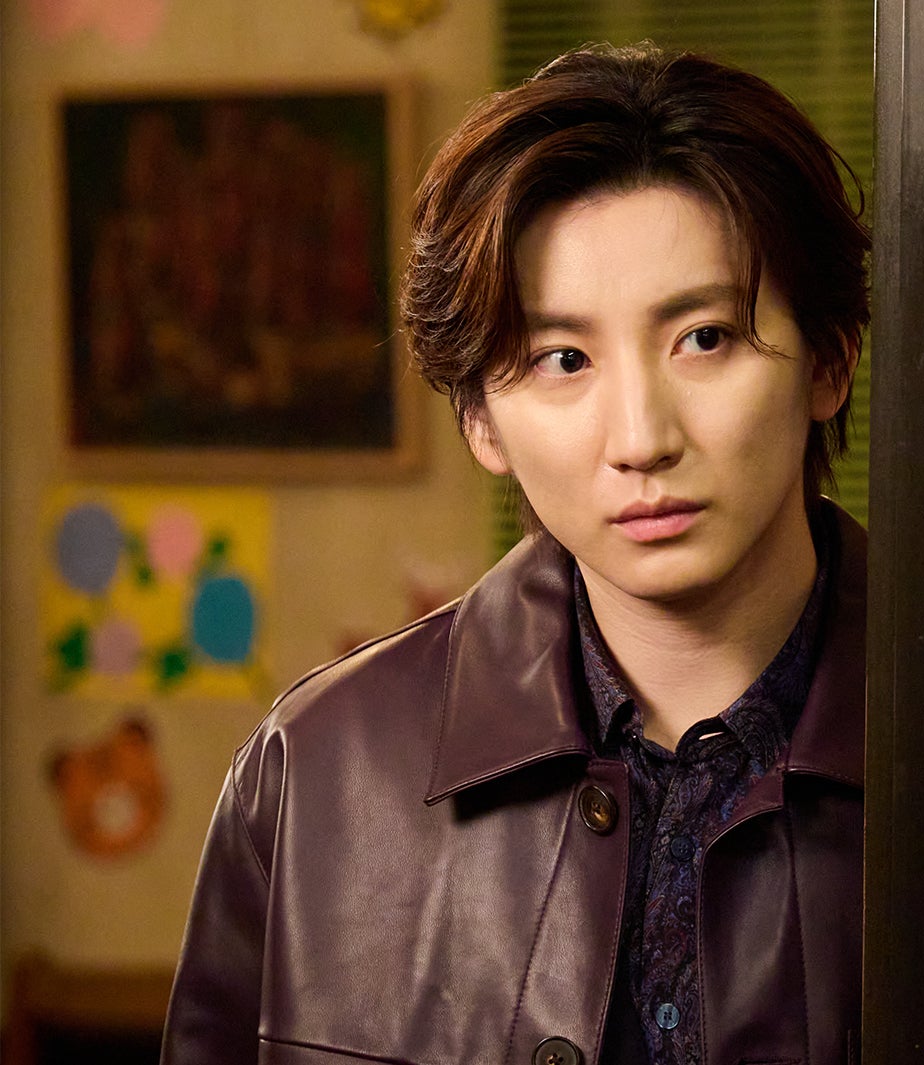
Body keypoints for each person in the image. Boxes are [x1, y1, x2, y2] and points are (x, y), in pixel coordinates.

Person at [160, 44, 870, 1065]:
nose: (641, 439)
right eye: (562, 359)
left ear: (829, 360)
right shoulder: (314, 771)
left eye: (704, 338)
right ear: (480, 421)